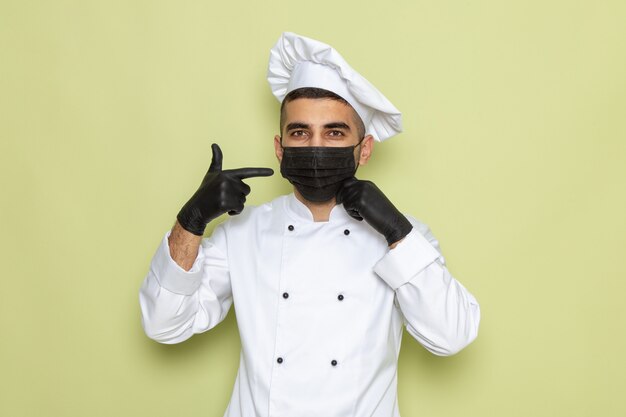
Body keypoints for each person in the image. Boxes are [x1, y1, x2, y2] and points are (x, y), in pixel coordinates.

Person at [139, 32, 480, 417]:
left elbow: (453, 336)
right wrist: (191, 221)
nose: (315, 147)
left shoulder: (404, 237)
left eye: (335, 133)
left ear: (363, 149)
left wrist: (397, 231)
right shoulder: (242, 233)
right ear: (280, 148)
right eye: (300, 132)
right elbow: (163, 325)